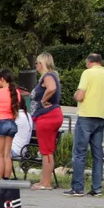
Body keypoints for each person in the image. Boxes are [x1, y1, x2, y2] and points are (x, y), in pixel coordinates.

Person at [68, 53, 104, 197]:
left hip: (86, 115)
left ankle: (77, 187)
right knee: (97, 154)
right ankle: (97, 188)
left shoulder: (87, 73)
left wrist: (76, 95)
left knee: (79, 153)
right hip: (100, 117)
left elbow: (80, 95)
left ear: (90, 62)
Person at [30, 52, 62, 190]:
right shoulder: (52, 75)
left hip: (47, 116)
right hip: (50, 116)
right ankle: (44, 180)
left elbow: (52, 88)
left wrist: (43, 100)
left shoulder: (48, 76)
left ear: (41, 64)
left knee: (46, 151)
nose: (36, 65)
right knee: (46, 150)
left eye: (37, 63)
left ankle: (46, 183)